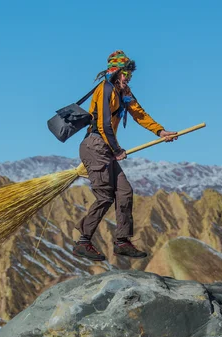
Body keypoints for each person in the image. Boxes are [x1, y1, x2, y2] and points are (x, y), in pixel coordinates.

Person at [73, 50, 176, 261]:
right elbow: (102, 124)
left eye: (130, 74)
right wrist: (117, 149)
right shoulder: (105, 89)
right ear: (117, 72)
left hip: (106, 148)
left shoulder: (124, 92)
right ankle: (83, 242)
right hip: (96, 145)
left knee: (125, 191)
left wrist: (160, 131)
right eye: (127, 73)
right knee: (104, 196)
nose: (129, 77)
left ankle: (122, 241)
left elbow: (139, 113)